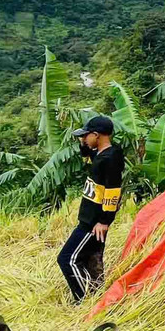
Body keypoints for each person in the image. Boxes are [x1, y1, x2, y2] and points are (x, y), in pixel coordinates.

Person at [57, 115, 125, 302]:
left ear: (96, 135)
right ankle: (97, 297)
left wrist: (104, 221)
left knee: (66, 259)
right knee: (90, 261)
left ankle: (82, 301)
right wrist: (82, 142)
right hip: (90, 219)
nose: (84, 139)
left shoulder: (110, 160)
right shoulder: (103, 155)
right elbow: (87, 155)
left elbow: (113, 192)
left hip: (93, 222)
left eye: (86, 136)